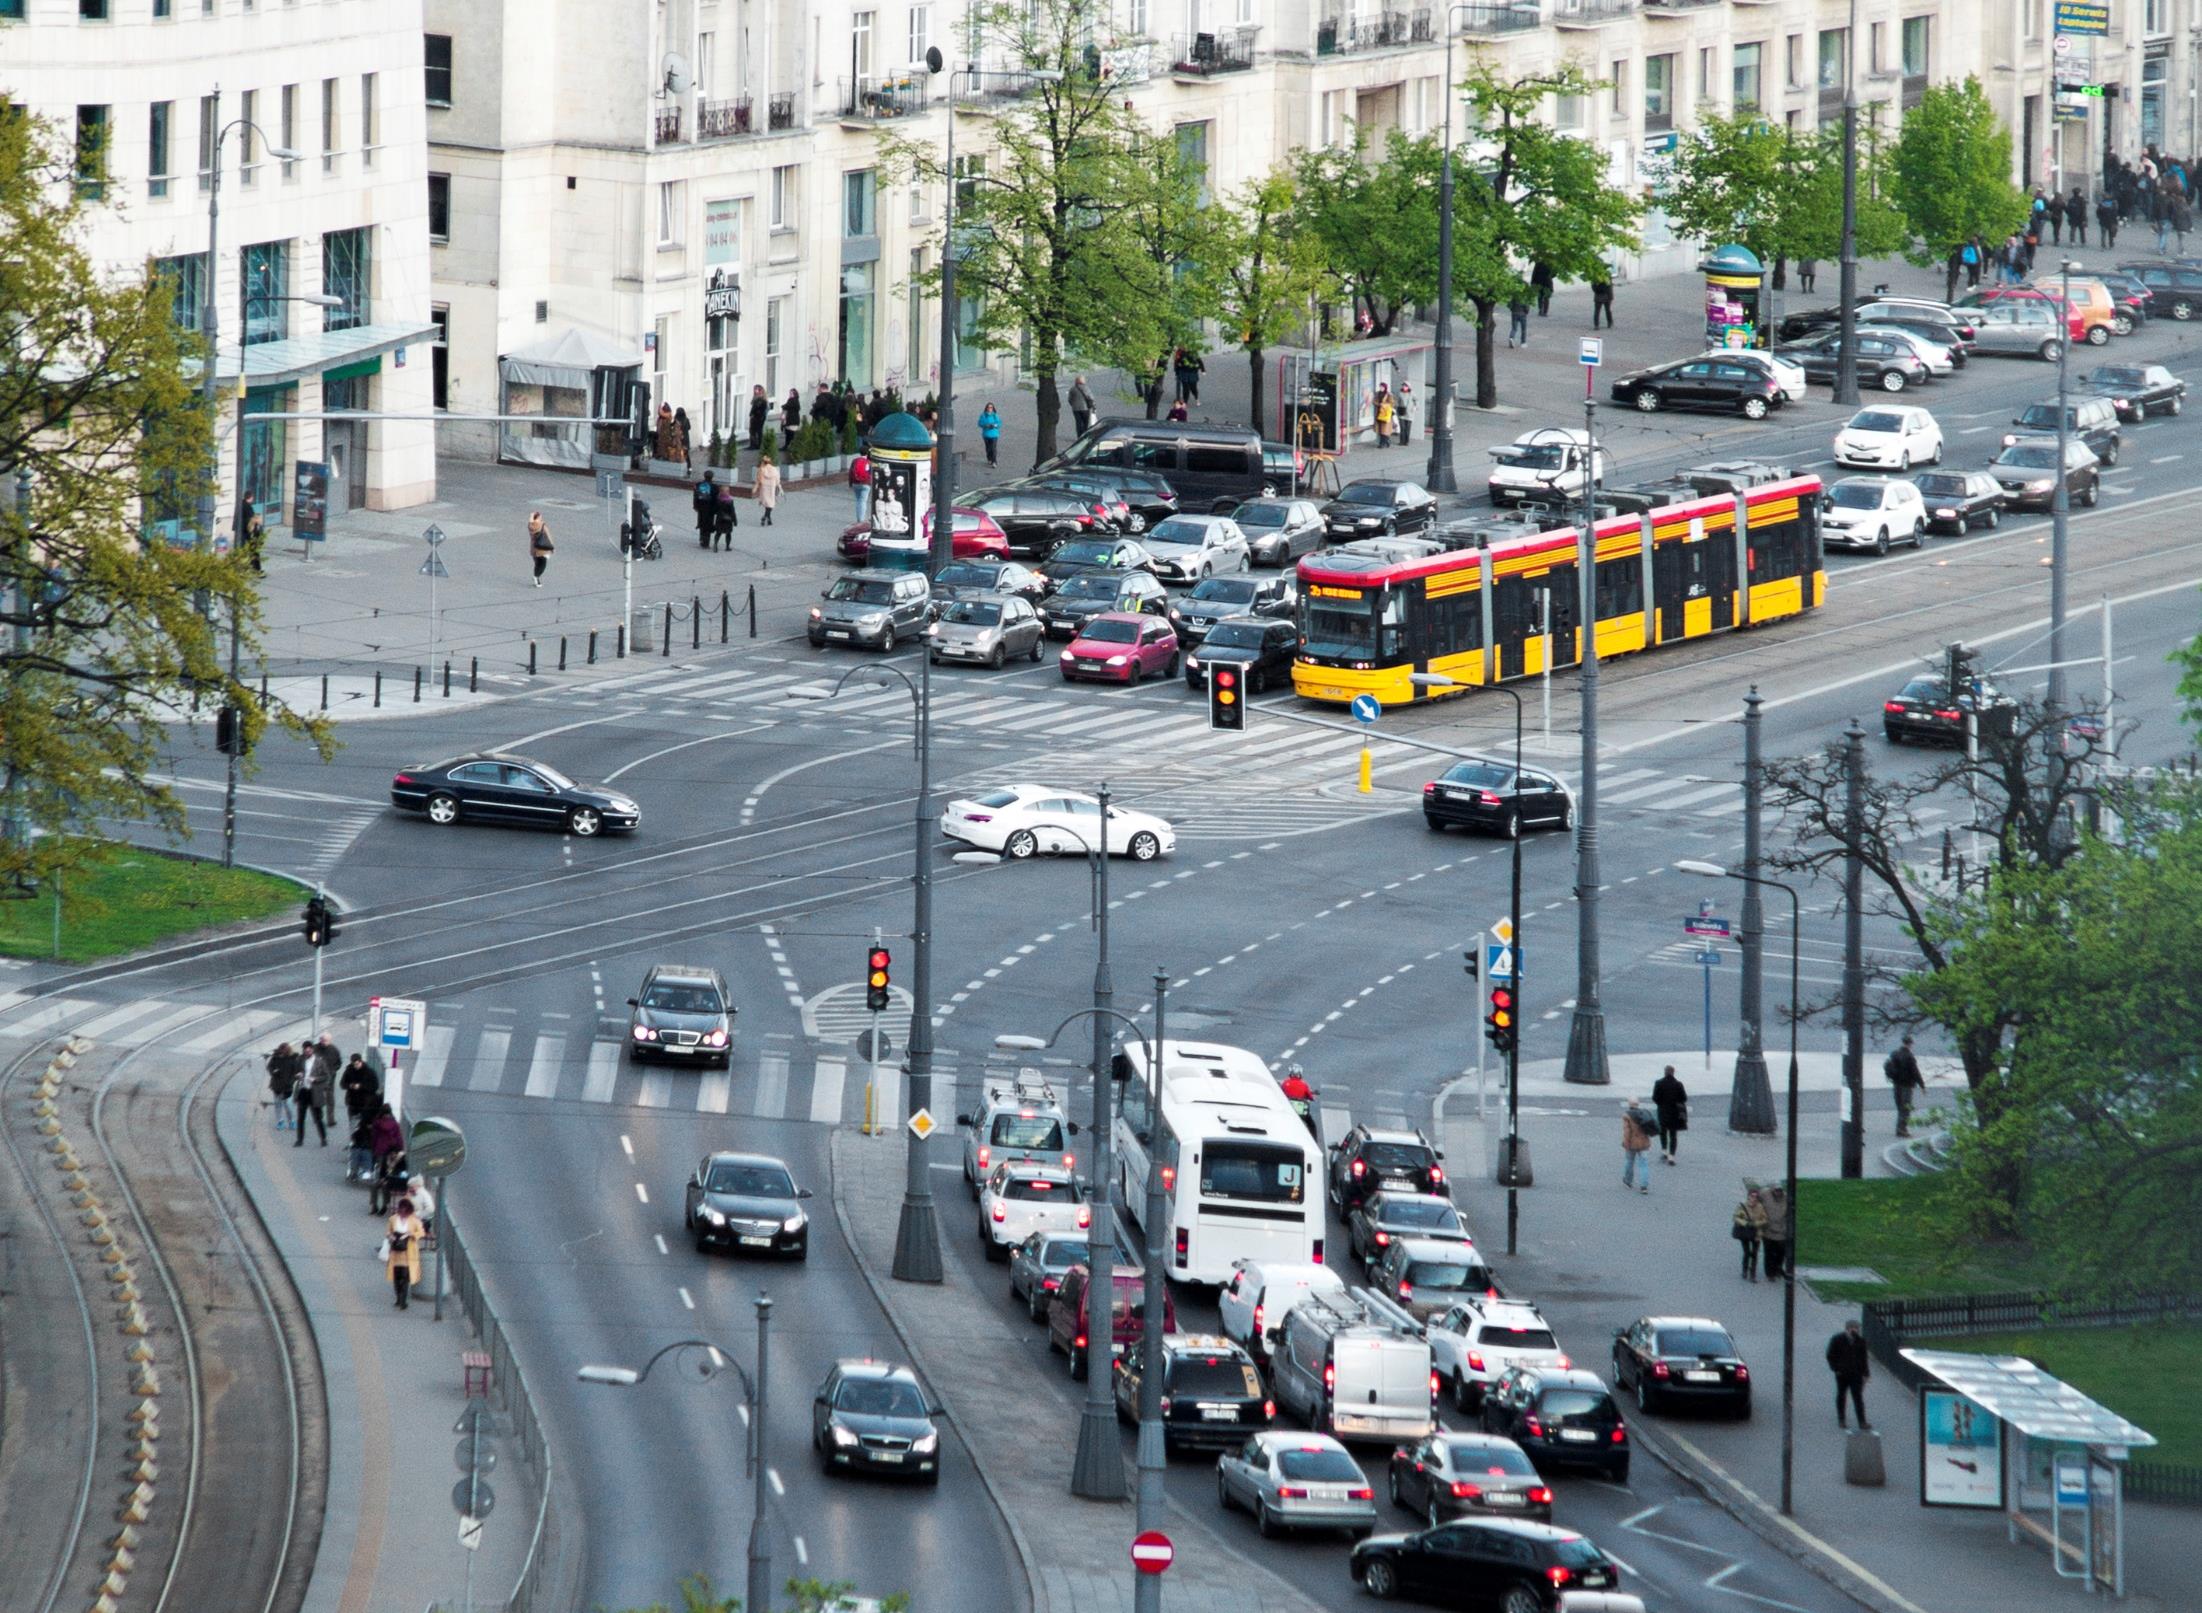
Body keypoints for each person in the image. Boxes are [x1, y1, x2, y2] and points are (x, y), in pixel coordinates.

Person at [1827, 1320, 1872, 1430]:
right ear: (1847, 1329)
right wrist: (1836, 1368)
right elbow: (1830, 1355)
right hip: (1842, 1374)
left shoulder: (1861, 1341)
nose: (1855, 1330)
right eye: (1852, 1328)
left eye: (1856, 1328)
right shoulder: (1837, 1339)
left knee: (1858, 1397)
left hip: (1856, 1374)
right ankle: (1841, 1419)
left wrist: (1866, 1374)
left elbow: (1863, 1358)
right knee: (1841, 1396)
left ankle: (1862, 1422)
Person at [384, 1195, 425, 1310]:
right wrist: (391, 1236)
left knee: (405, 1277)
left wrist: (412, 1234)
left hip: (409, 1252)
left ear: (409, 1210)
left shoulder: (414, 1221)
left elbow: (421, 1232)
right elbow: (388, 1231)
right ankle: (398, 1297)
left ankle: (403, 1300)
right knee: (397, 1277)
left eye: (405, 1211)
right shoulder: (393, 1219)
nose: (403, 1213)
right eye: (401, 1210)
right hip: (396, 1252)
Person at [1884, 1033, 1926, 1137]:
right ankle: (1902, 1129)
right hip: (1907, 1085)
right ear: (1910, 1044)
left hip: (1896, 1084)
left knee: (1899, 1106)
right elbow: (1915, 1072)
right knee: (1906, 1107)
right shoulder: (1909, 1057)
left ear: (1902, 1042)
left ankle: (1899, 1128)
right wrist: (1922, 1085)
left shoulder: (1894, 1054)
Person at [367, 1105, 405, 1214]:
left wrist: (374, 1150)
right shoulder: (395, 1125)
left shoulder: (377, 1123)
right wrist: (399, 1151)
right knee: (387, 1181)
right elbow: (399, 1139)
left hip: (380, 1152)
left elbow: (374, 1138)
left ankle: (374, 1205)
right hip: (392, 1155)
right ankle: (385, 1205)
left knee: (376, 1180)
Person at [1651, 1065, 1688, 1164]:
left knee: (1662, 1132)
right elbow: (1684, 1098)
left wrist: (1661, 1104)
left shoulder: (1658, 1083)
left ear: (1665, 1072)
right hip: (1675, 1113)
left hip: (1663, 1112)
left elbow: (1655, 1098)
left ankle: (1664, 1151)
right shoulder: (1678, 1084)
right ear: (1673, 1072)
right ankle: (1671, 1156)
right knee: (1673, 1135)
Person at [265, 1041, 302, 1131]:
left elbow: (297, 1072)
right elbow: (270, 1067)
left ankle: (292, 1121)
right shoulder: (275, 1057)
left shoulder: (293, 1059)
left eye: (282, 1053)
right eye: (279, 1052)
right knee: (278, 1105)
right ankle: (280, 1121)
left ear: (286, 1052)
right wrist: (273, 1071)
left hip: (287, 1087)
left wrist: (292, 1081)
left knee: (288, 1105)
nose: (280, 1054)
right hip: (276, 1086)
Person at [292, 1053, 327, 1147]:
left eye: (309, 1050)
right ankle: (299, 1140)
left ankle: (323, 1138)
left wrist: (315, 1079)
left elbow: (325, 1076)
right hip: (303, 1091)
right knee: (300, 1118)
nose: (307, 1052)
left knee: (318, 1118)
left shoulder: (319, 1061)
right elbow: (295, 1073)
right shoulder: (300, 1060)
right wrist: (298, 1075)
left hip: (314, 1092)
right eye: (305, 1050)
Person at [1732, 1191, 1768, 1281]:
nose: (1754, 1198)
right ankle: (1744, 1270)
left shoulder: (1760, 1207)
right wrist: (1745, 1223)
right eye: (1752, 1196)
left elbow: (1765, 1219)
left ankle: (1753, 1274)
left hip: (1756, 1233)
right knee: (1747, 1252)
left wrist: (1756, 1223)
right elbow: (1735, 1217)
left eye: (1756, 1196)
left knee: (1754, 1254)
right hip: (1745, 1233)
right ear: (1748, 1197)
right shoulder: (1742, 1206)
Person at [1620, 1099, 1653, 1193]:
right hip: (1644, 1143)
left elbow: (1627, 1132)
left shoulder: (1627, 1115)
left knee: (1629, 1161)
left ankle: (1628, 1181)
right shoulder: (1644, 1114)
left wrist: (1625, 1143)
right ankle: (1644, 1186)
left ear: (1629, 1105)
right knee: (1644, 1164)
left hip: (1632, 1143)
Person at [340, 1052, 380, 1129]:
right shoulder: (349, 1071)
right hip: (352, 1102)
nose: (355, 1066)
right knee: (353, 1123)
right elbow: (342, 1084)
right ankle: (353, 1138)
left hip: (366, 1102)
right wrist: (351, 1085)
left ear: (361, 1061)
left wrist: (361, 1086)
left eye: (357, 1064)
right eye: (354, 1064)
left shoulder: (369, 1072)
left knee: (364, 1124)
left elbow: (375, 1086)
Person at [1759, 1184, 1790, 1279]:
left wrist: (1785, 1227)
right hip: (1768, 1230)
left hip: (1781, 1230)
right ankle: (1770, 1273)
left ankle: (1778, 1268)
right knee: (1769, 1253)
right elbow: (1755, 1198)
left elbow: (1790, 1214)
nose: (1778, 1192)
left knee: (1781, 1252)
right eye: (1776, 1190)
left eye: (1780, 1190)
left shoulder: (1786, 1198)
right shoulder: (1765, 1194)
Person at [312, 1036, 341, 1132]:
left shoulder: (334, 1050)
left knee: (330, 1100)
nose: (324, 1042)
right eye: (323, 1040)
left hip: (330, 1079)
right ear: (320, 1040)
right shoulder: (315, 1049)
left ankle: (330, 1120)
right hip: (318, 1079)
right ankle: (318, 1117)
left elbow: (339, 1063)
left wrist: (333, 1071)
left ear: (330, 1040)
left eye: (326, 1040)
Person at [237, 504, 267, 575]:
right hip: (253, 544)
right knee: (254, 557)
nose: (261, 520)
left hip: (255, 544)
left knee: (254, 557)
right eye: (260, 519)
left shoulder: (258, 526)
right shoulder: (252, 526)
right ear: (256, 519)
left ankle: (254, 569)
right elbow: (251, 535)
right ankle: (256, 570)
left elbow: (260, 535)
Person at [526, 511, 553, 588]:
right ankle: (536, 577)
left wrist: (531, 516)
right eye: (540, 517)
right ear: (537, 518)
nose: (541, 518)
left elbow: (531, 523)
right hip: (542, 548)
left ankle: (536, 578)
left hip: (534, 548)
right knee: (543, 565)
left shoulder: (530, 526)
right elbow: (548, 536)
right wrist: (552, 547)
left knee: (538, 564)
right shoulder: (541, 525)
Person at [692, 470, 719, 546]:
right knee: (709, 523)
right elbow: (716, 499)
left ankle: (701, 538)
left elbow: (695, 496)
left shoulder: (698, 485)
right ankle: (706, 541)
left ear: (704, 476)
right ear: (712, 477)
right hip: (710, 509)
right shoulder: (715, 487)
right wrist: (717, 509)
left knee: (701, 522)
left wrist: (695, 505)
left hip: (701, 507)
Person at [754, 452, 781, 527]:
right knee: (771, 504)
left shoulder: (762, 470)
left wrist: (757, 487)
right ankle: (766, 517)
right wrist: (778, 485)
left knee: (767, 503)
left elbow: (759, 480)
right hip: (771, 488)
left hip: (764, 488)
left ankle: (767, 518)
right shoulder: (774, 469)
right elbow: (777, 479)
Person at [714, 479, 739, 550]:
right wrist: (735, 521)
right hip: (728, 519)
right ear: (728, 492)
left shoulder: (718, 499)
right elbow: (732, 512)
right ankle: (727, 546)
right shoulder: (730, 501)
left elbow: (715, 509)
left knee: (718, 533)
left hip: (719, 518)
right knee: (728, 533)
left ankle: (715, 544)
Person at [850, 448, 872, 521]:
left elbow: (850, 472)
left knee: (858, 500)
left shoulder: (855, 461)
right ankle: (861, 519)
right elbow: (871, 473)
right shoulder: (869, 462)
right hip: (866, 484)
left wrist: (850, 483)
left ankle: (859, 517)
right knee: (863, 501)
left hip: (855, 483)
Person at [977, 401, 1002, 466]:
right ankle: (989, 458)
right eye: (988, 407)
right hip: (986, 435)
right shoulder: (983, 415)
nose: (990, 408)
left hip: (994, 434)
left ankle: (994, 461)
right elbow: (980, 423)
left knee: (993, 448)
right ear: (986, 408)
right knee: (988, 448)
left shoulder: (995, 415)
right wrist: (986, 425)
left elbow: (999, 423)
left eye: (991, 407)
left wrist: (994, 425)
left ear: (993, 408)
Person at [747, 384, 769, 451]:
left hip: (759, 418)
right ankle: (753, 444)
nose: (755, 391)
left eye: (756, 389)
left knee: (758, 431)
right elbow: (753, 407)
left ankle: (758, 445)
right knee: (752, 431)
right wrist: (751, 414)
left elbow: (761, 409)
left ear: (760, 390)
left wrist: (755, 414)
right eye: (754, 389)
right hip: (754, 417)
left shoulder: (762, 399)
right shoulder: (756, 398)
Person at [779, 389, 802, 453]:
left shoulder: (793, 400)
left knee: (791, 434)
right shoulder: (792, 400)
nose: (789, 394)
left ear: (794, 394)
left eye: (791, 393)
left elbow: (785, 406)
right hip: (790, 420)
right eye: (790, 393)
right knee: (788, 433)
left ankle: (791, 447)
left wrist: (783, 406)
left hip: (793, 420)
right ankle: (787, 446)